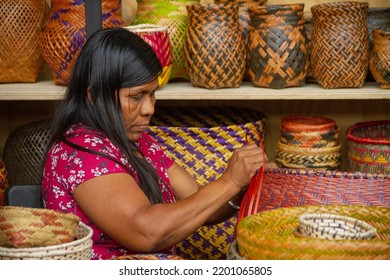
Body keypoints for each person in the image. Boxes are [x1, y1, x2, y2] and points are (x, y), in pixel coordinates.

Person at [42, 27, 267, 260]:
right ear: (94, 96)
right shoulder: (79, 154)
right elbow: (147, 232)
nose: (150, 109)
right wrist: (231, 180)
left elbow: (198, 205)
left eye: (152, 94)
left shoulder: (138, 142)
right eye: (137, 96)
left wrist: (243, 187)